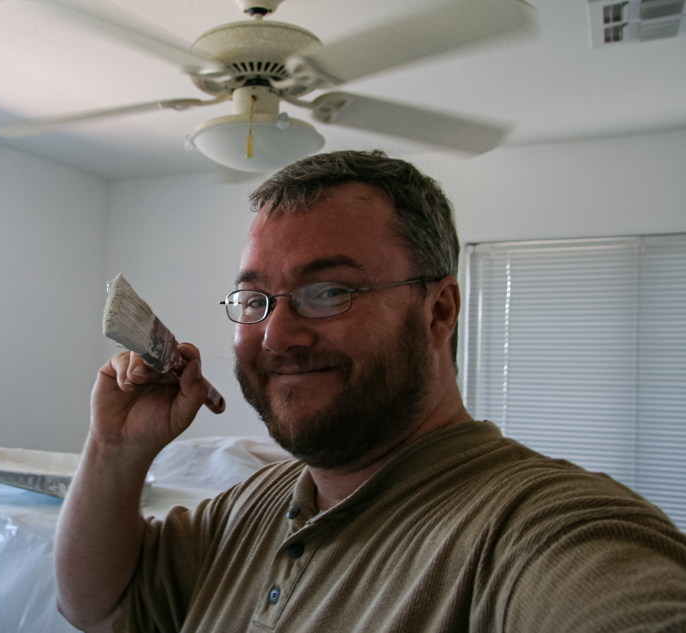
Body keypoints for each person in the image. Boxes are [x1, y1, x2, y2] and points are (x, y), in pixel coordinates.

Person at [55, 150, 686, 633]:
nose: (276, 337)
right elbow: (100, 606)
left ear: (438, 312)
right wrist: (114, 449)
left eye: (329, 291)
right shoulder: (254, 504)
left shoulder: (536, 529)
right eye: (255, 300)